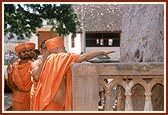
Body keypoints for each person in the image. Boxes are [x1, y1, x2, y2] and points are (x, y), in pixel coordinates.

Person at [33, 36, 115, 111]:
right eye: (63, 48)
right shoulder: (59, 57)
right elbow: (83, 57)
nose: (65, 51)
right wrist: (101, 52)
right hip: (53, 101)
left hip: (47, 99)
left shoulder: (49, 60)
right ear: (57, 49)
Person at [7, 42, 35, 111]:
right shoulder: (14, 66)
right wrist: (10, 74)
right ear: (18, 54)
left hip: (31, 97)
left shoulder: (34, 65)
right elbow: (11, 86)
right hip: (18, 98)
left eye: (28, 51)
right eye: (24, 52)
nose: (27, 53)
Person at [30, 40, 48, 110]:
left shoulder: (56, 62)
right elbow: (37, 77)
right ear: (41, 50)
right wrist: (44, 60)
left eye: (49, 48)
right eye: (45, 48)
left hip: (50, 97)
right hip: (38, 97)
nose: (47, 51)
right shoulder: (36, 63)